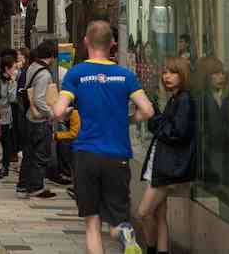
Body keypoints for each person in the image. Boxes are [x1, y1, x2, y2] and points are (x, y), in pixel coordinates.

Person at [53, 20, 155, 254]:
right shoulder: (125, 75)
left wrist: (66, 113)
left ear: (86, 41)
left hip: (86, 155)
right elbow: (148, 110)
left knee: (92, 223)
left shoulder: (76, 74)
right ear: (112, 44)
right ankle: (125, 233)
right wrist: (128, 119)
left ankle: (121, 234)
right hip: (117, 155)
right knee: (117, 219)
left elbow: (59, 111)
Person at [137, 57, 195, 254]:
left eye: (173, 72)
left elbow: (176, 132)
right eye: (165, 72)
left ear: (183, 75)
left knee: (144, 213)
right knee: (160, 216)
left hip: (167, 167)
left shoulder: (184, 99)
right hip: (161, 164)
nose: (167, 76)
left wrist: (154, 119)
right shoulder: (175, 98)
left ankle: (151, 249)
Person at [16, 41, 58, 199]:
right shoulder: (44, 74)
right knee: (40, 154)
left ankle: (23, 185)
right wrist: (50, 113)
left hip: (28, 117)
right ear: (52, 57)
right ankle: (36, 187)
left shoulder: (32, 67)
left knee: (29, 153)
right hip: (38, 120)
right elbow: (39, 100)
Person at [197, 56, 229, 187]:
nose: (221, 77)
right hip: (209, 158)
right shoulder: (202, 99)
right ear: (207, 76)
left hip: (227, 158)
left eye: (222, 73)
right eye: (216, 74)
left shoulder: (228, 98)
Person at [0, 54, 19, 177]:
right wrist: (13, 83)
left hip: (5, 116)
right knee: (2, 142)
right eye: (13, 68)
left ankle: (5, 167)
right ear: (6, 68)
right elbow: (11, 98)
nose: (15, 70)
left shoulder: (6, 81)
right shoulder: (3, 82)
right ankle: (1, 167)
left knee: (6, 142)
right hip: (1, 115)